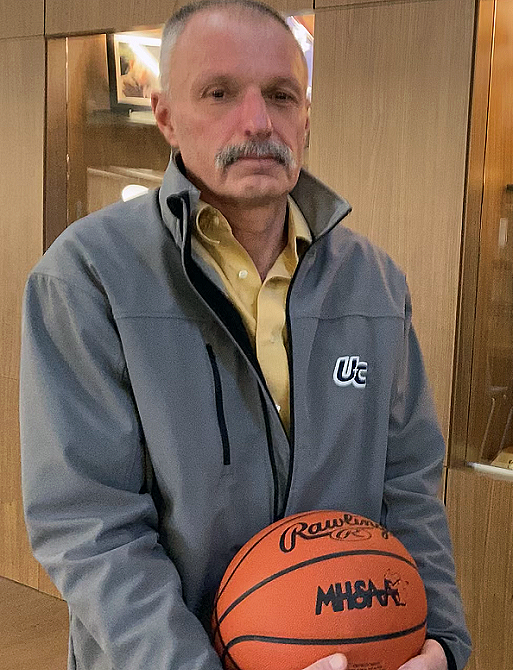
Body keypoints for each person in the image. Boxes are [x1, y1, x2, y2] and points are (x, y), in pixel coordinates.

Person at [19, 2, 471, 670]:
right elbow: (91, 527)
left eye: (282, 96)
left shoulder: (375, 285)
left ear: (307, 117)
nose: (258, 122)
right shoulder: (88, 276)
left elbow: (407, 488)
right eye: (220, 93)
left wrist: (443, 644)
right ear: (166, 116)